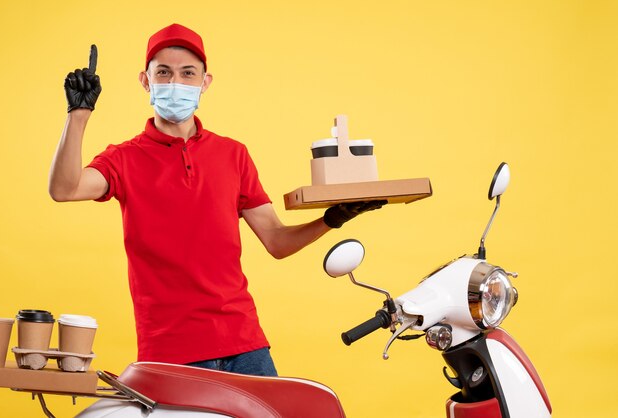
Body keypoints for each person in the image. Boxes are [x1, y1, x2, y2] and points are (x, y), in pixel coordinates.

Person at [49, 23, 385, 376]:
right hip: (169, 349)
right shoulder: (123, 158)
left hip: (244, 343)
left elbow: (276, 241)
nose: (175, 82)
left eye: (187, 73)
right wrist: (79, 115)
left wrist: (332, 219)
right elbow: (64, 189)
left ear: (204, 82)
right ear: (145, 82)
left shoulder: (233, 155)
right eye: (163, 73)